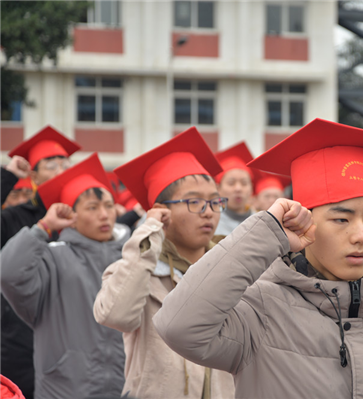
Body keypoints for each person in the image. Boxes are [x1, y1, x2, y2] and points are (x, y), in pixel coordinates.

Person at [153, 118, 363, 398]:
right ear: (302, 222)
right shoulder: (259, 310)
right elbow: (178, 327)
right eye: (341, 220)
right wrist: (267, 232)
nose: (361, 235)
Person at [93, 128, 235, 398]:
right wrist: (149, 234)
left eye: (215, 201)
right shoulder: (138, 268)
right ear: (161, 209)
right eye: (194, 201)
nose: (208, 212)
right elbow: (115, 315)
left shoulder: (232, 266)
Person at [1, 154, 128, 399]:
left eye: (109, 206)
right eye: (92, 207)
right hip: (65, 387)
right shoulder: (52, 258)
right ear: (71, 215)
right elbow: (8, 273)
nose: (104, 215)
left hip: (122, 386)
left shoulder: (130, 256)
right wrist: (42, 228)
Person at [1, 125, 81, 399]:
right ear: (33, 176)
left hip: (70, 333)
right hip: (18, 335)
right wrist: (8, 176)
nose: (62, 168)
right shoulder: (15, 217)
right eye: (52, 163)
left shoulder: (80, 220)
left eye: (66, 163)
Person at [214, 142, 255, 235]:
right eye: (231, 183)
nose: (238, 188)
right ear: (218, 189)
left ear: (251, 189)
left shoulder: (260, 222)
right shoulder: (212, 222)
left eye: (244, 183)